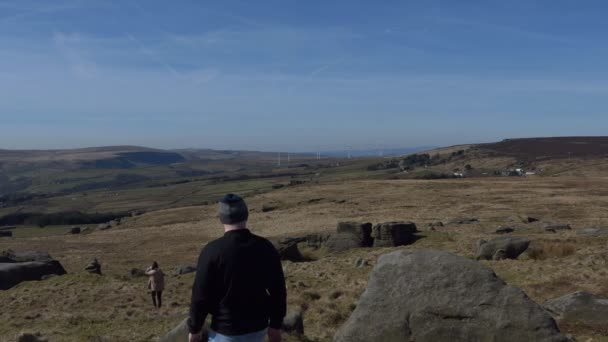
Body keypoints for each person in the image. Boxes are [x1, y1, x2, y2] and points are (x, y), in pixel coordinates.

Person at [188, 194, 287, 342]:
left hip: (225, 331)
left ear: (221, 218)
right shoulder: (265, 247)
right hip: (258, 329)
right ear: (246, 215)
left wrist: (195, 329)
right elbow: (278, 290)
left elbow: (200, 295)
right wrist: (275, 325)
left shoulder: (211, 251)